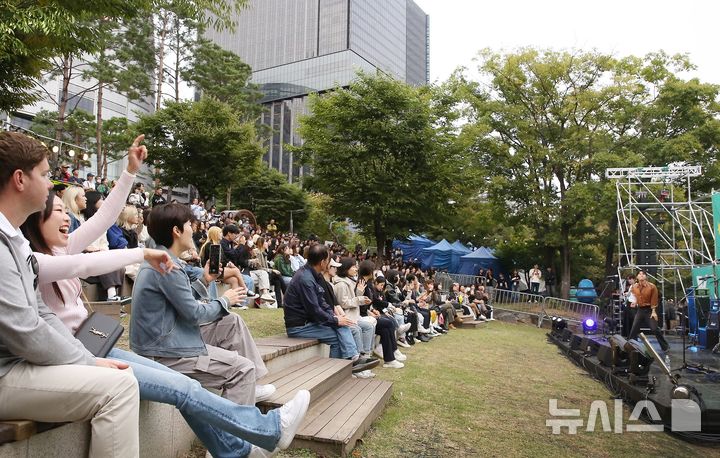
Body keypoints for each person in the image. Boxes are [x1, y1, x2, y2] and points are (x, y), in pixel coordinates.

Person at [22, 181, 310, 458]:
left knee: (191, 383)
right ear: (36, 217)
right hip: (116, 352)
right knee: (189, 385)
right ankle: (258, 431)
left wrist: (130, 172)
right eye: (57, 210)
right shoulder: (35, 260)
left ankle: (238, 442)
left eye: (64, 209)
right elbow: (86, 265)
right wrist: (145, 253)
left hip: (98, 346)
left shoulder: (61, 250)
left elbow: (104, 217)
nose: (68, 217)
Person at [0, 131, 140, 457]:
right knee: (119, 387)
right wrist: (87, 361)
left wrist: (87, 360)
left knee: (123, 376)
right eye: (46, 175)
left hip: (17, 365)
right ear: (20, 179)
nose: (51, 185)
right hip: (7, 372)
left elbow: (41, 314)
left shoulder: (13, 241)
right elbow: (26, 332)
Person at [131, 203, 277, 406]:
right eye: (190, 224)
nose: (193, 229)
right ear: (176, 230)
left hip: (166, 341)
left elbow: (178, 302)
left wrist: (205, 281)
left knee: (231, 321)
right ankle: (235, 433)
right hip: (165, 352)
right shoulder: (167, 266)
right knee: (243, 369)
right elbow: (194, 314)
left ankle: (252, 386)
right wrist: (225, 300)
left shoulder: (163, 260)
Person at [283, 244, 376, 371]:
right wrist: (336, 320)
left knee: (341, 324)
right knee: (337, 335)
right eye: (328, 261)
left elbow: (323, 303)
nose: (329, 264)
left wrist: (336, 318)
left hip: (309, 322)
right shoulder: (306, 279)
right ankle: (341, 367)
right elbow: (314, 310)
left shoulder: (314, 275)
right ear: (322, 262)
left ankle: (351, 361)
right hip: (299, 326)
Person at [628, 270, 669, 351]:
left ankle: (665, 346)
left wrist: (653, 312)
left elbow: (654, 300)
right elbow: (637, 296)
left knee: (654, 328)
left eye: (643, 274)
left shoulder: (652, 286)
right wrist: (635, 302)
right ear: (637, 277)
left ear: (646, 276)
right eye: (639, 274)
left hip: (649, 310)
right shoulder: (634, 287)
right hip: (640, 310)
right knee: (634, 328)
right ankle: (630, 345)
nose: (641, 275)